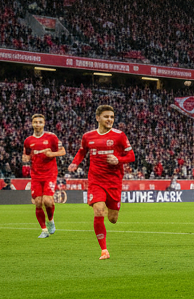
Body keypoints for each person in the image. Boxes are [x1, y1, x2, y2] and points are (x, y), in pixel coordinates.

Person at [67, 104, 134, 260]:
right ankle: (104, 250)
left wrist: (118, 159)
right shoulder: (88, 136)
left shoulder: (119, 136)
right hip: (96, 180)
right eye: (106, 117)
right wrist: (75, 163)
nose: (109, 119)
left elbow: (131, 156)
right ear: (98, 118)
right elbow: (82, 151)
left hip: (114, 181)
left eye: (112, 117)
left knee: (113, 219)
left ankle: (113, 209)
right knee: (98, 211)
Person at [23, 114, 65, 239]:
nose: (38, 124)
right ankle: (44, 230)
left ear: (44, 123)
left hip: (50, 173)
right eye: (35, 122)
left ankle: (50, 220)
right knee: (38, 202)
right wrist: (25, 158)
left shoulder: (51, 137)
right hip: (36, 175)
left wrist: (52, 154)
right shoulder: (28, 140)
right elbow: (26, 155)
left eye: (40, 122)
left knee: (47, 201)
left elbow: (63, 151)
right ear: (32, 123)